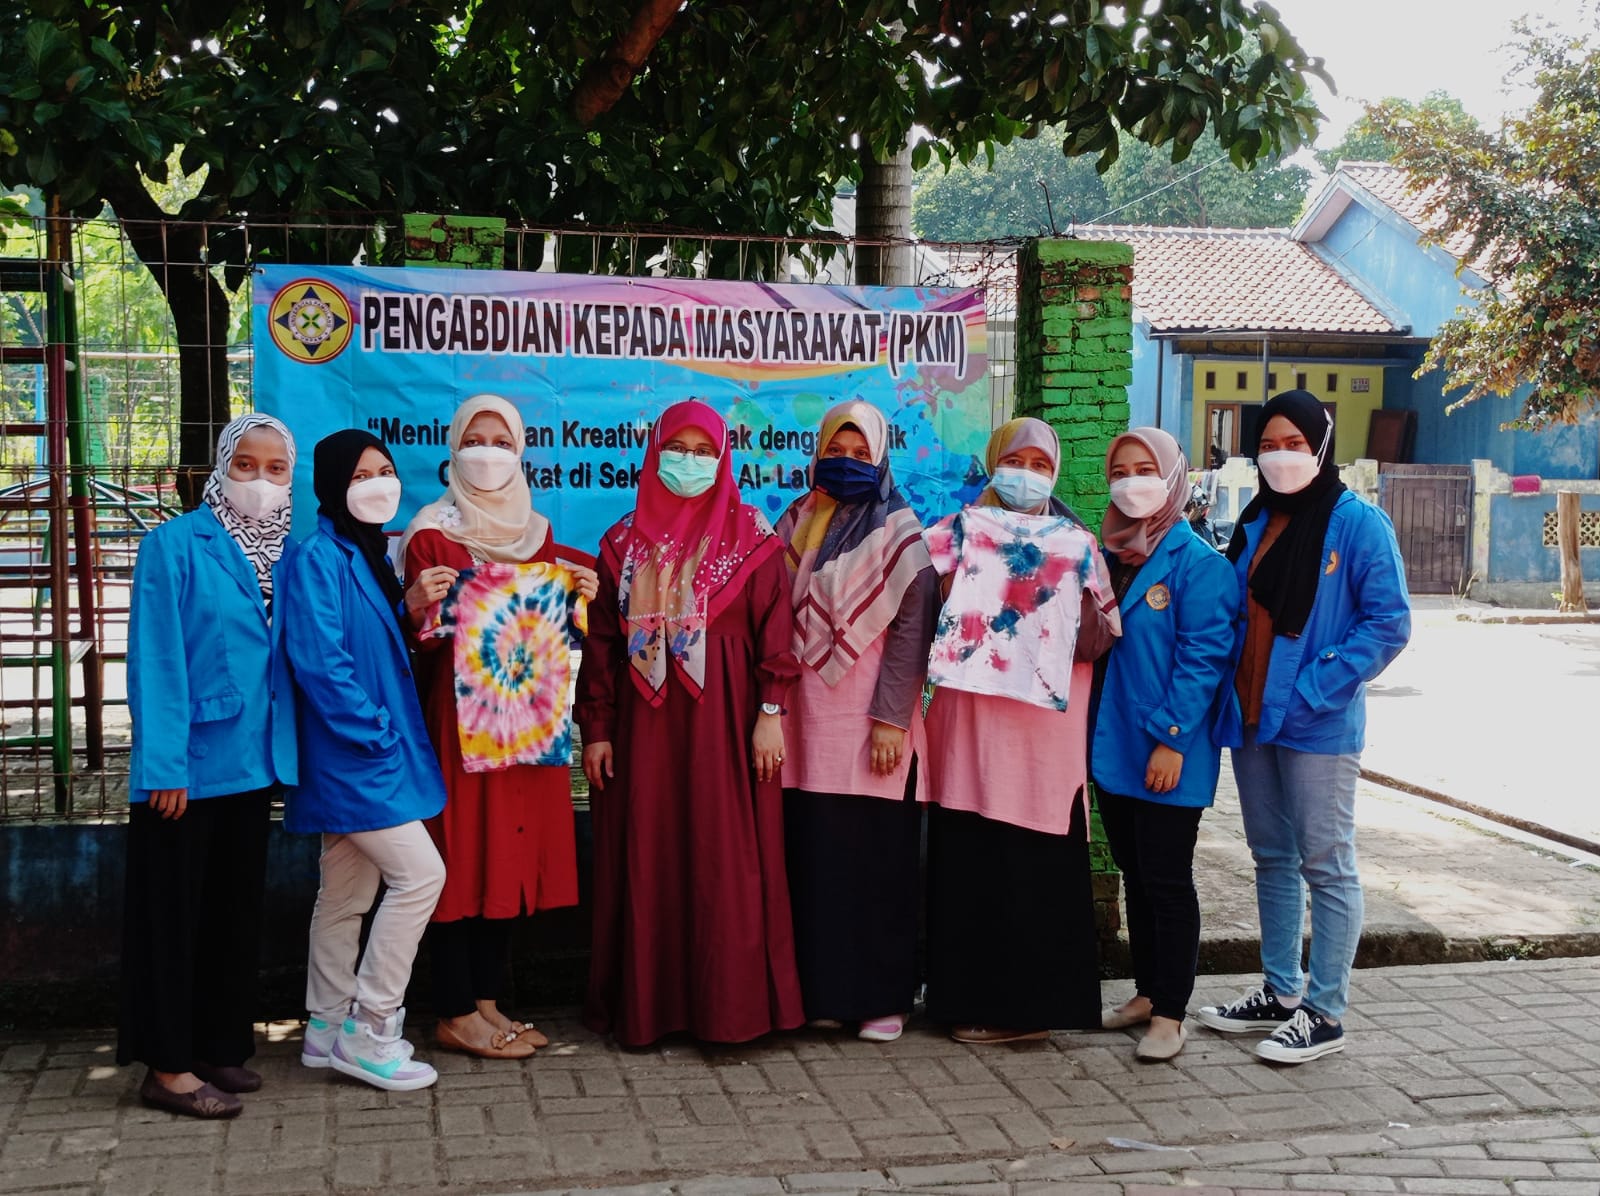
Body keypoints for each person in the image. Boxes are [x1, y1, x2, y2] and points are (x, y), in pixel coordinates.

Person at [576, 398, 804, 1048]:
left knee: (724, 859)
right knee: (650, 856)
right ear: (655, 454)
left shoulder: (754, 539)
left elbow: (777, 635)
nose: (690, 462)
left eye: (705, 451)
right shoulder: (621, 544)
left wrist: (770, 714)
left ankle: (727, 1009)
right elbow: (601, 644)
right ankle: (649, 1009)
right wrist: (596, 727)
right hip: (644, 740)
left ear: (724, 458)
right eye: (678, 449)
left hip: (728, 733)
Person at [1196, 390, 1410, 1064]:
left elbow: (1389, 622)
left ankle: (1326, 1009)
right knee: (1273, 859)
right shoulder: (1257, 520)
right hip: (1255, 717)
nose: (1281, 457)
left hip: (1316, 722)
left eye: (1294, 444)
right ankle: (1281, 992)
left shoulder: (1357, 524)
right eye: (1269, 444)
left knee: (1327, 862)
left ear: (1320, 445)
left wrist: (1319, 683)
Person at [398, 395, 598, 1061]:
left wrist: (582, 594)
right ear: (452, 450)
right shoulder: (430, 535)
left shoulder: (540, 539)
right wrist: (424, 604)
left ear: (521, 452)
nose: (488, 453)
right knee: (462, 860)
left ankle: (487, 1002)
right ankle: (453, 1010)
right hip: (462, 731)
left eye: (501, 440)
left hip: (528, 729)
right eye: (474, 439)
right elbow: (426, 639)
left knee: (507, 859)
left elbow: (570, 615)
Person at [119, 414, 299, 1119]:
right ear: (220, 468)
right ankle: (165, 1067)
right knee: (174, 919)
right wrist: (163, 764)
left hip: (253, 765)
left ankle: (216, 1046)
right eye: (245, 465)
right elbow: (156, 660)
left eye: (274, 468)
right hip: (187, 769)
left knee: (231, 914)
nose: (259, 480)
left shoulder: (288, 552)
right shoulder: (173, 546)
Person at [921, 417, 1119, 1044]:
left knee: (1032, 866)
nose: (1026, 474)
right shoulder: (959, 531)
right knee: (971, 860)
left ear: (1055, 472)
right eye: (1015, 460)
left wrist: (1061, 596)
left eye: (1039, 464)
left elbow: (1100, 636)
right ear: (994, 462)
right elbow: (906, 587)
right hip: (969, 730)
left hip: (1040, 738)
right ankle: (965, 1000)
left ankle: (1030, 1011)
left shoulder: (1078, 544)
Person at [281, 429, 450, 1091]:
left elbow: (372, 644)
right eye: (361, 475)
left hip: (366, 752)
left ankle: (324, 1027)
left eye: (385, 470)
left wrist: (407, 609)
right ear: (331, 486)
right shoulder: (316, 558)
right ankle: (371, 1028)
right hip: (355, 754)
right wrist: (374, 731)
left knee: (345, 894)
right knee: (420, 877)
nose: (378, 484)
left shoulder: (371, 555)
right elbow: (322, 664)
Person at [774, 399, 938, 1044]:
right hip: (803, 722)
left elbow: (910, 635)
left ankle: (880, 998)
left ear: (881, 458)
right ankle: (824, 991)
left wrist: (892, 719)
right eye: (834, 453)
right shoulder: (795, 521)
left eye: (859, 454)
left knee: (876, 860)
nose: (845, 464)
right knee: (816, 859)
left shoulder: (901, 533)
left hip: (872, 720)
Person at [1093, 428, 1237, 1061]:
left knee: (1167, 877)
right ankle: (1147, 992)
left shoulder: (1199, 565)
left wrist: (1172, 739)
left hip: (1167, 750)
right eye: (1119, 471)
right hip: (1115, 744)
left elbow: (1204, 657)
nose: (1131, 481)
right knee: (1134, 872)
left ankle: (1171, 1013)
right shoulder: (1113, 555)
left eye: (1145, 468)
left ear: (1174, 476)